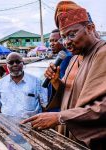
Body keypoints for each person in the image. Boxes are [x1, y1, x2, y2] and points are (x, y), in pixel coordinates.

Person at [21, 1, 106, 150]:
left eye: (72, 35)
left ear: (90, 28)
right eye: (63, 37)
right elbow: (72, 95)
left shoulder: (103, 54)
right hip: (70, 139)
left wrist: (60, 117)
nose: (66, 42)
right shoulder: (74, 59)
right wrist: (56, 82)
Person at [0, 52, 48, 119]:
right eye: (11, 62)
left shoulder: (36, 82)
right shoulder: (1, 83)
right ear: (7, 65)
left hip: (31, 127)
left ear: (23, 63)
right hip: (9, 126)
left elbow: (45, 107)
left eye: (18, 62)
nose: (15, 64)